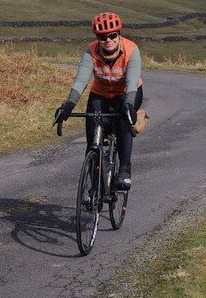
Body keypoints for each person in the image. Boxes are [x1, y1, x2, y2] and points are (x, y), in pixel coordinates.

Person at [54, 12, 144, 190]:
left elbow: (132, 83)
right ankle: (94, 183)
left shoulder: (131, 49)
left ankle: (124, 170)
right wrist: (69, 104)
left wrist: (129, 105)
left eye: (112, 35)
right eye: (102, 37)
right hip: (100, 94)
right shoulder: (91, 51)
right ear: (97, 38)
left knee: (123, 121)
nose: (108, 40)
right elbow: (81, 81)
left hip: (126, 93)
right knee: (93, 140)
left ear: (119, 34)